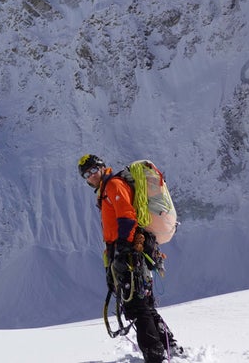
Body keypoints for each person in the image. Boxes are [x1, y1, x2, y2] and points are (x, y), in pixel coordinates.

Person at [78, 154, 182, 363]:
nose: (92, 175)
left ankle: (155, 355)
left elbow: (126, 216)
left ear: (102, 167)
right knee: (143, 304)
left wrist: (123, 250)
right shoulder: (106, 191)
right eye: (87, 174)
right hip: (127, 251)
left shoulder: (114, 186)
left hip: (130, 252)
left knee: (137, 306)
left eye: (93, 170)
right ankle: (169, 347)